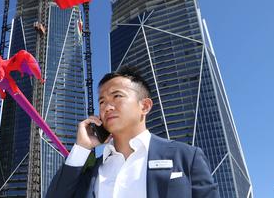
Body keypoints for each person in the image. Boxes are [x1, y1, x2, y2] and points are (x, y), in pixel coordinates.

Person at [47, 66, 219, 198]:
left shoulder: (186, 156)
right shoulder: (91, 172)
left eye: (117, 96)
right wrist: (81, 148)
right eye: (102, 102)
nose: (107, 107)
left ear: (144, 106)